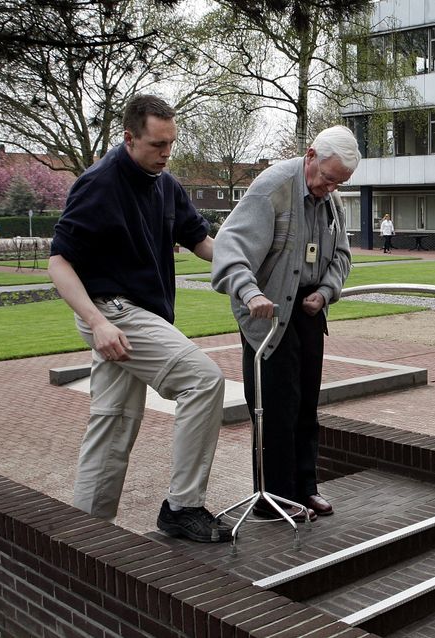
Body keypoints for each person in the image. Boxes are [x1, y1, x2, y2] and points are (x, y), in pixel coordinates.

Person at [48, 94, 230, 543]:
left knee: (112, 420)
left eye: (171, 145)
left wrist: (244, 262)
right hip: (112, 311)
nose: (166, 154)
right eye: (156, 145)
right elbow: (59, 263)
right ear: (129, 138)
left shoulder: (164, 183)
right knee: (203, 379)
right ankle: (182, 506)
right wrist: (97, 323)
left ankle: (85, 535)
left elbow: (200, 241)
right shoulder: (100, 184)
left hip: (139, 313)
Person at [211, 125, 358, 521]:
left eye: (339, 182)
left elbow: (342, 255)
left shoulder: (331, 200)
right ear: (310, 155)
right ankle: (272, 498)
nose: (330, 188)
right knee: (274, 407)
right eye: (328, 178)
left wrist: (326, 291)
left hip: (308, 311)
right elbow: (230, 247)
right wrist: (250, 293)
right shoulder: (272, 187)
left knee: (306, 404)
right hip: (269, 314)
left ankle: (305, 488)